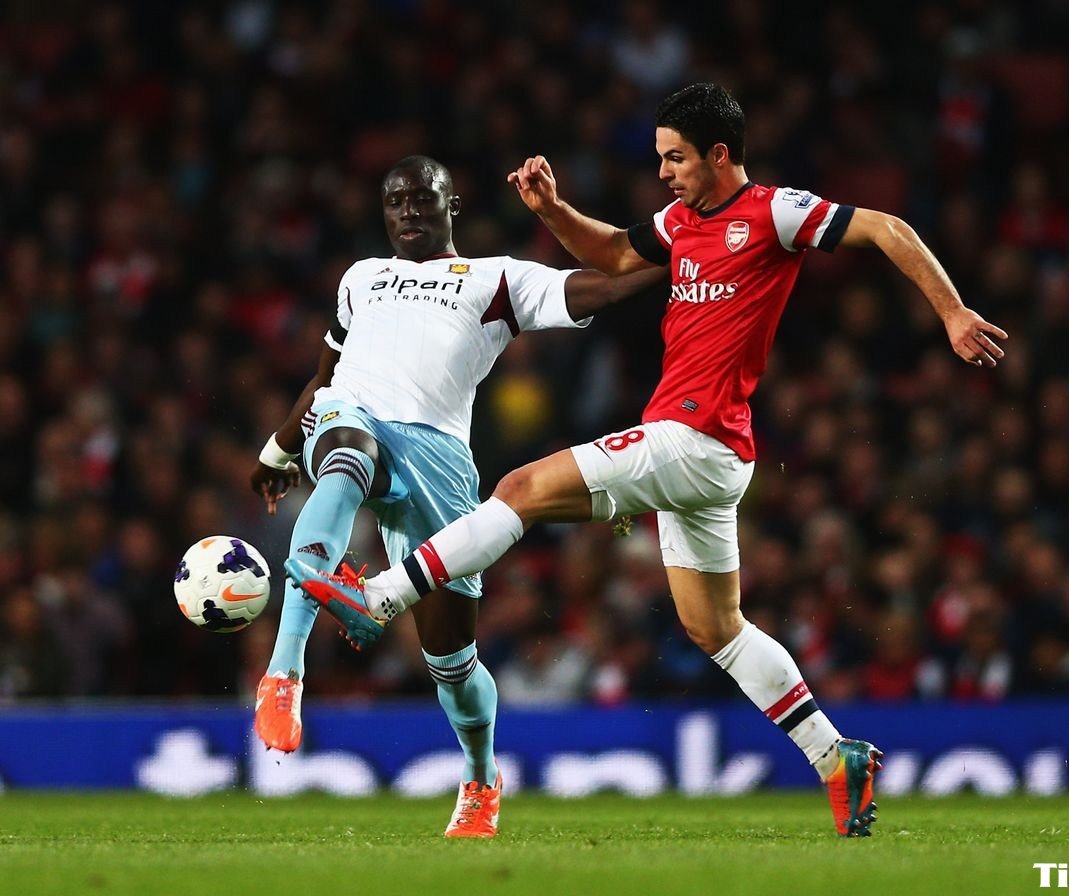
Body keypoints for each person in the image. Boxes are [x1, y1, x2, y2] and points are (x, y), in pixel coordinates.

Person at [288, 84, 1009, 837]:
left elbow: (887, 227)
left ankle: (381, 598)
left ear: (719, 155)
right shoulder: (681, 221)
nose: (663, 171)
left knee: (521, 487)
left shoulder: (774, 212)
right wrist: (552, 211)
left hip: (695, 438)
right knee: (717, 628)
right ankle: (836, 757)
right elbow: (613, 252)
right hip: (708, 455)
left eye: (676, 158)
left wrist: (952, 311)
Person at [251, 154, 662, 838]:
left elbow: (603, 288)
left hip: (439, 463)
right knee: (344, 454)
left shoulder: (497, 280)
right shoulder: (361, 279)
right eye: (395, 201)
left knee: (450, 662)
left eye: (423, 197)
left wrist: (686, 258)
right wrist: (278, 450)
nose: (409, 210)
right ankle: (284, 674)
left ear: (452, 207)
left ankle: (480, 777)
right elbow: (325, 378)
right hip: (356, 419)